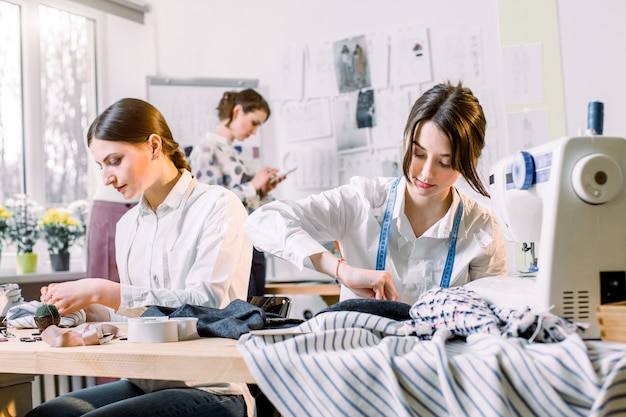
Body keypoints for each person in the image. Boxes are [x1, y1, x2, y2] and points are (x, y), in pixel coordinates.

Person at [27, 98, 253, 417]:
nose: (106, 177)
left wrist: (106, 292)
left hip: (210, 386)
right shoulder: (128, 225)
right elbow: (138, 315)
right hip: (148, 380)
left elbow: (209, 306)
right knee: (46, 415)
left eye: (114, 160)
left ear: (154, 146)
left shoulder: (219, 206)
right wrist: (81, 309)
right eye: (100, 165)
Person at [244, 81, 507, 305]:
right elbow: (261, 221)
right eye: (418, 153)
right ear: (405, 140)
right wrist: (340, 271)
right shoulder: (363, 201)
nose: (426, 173)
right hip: (360, 355)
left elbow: (489, 314)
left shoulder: (481, 230)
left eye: (445, 162)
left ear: (469, 161)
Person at [188, 89, 284, 298]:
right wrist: (253, 186)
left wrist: (262, 189)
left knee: (256, 307)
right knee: (242, 309)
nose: (254, 131)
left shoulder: (233, 150)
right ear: (238, 111)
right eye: (254, 122)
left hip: (251, 238)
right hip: (230, 243)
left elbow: (239, 195)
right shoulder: (205, 150)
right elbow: (209, 203)